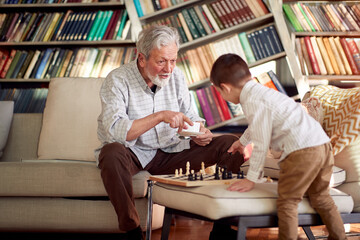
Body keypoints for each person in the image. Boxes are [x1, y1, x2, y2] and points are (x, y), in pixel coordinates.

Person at [95, 25, 244, 240]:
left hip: (172, 150)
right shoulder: (117, 80)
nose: (169, 69)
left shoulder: (177, 76)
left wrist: (200, 132)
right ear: (142, 58)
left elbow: (191, 116)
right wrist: (160, 116)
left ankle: (222, 229)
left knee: (230, 144)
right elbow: (117, 131)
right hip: (134, 153)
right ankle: (131, 231)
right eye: (161, 61)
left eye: (173, 60)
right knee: (110, 153)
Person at [210, 53, 347, 240]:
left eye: (219, 92)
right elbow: (259, 124)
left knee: (287, 203)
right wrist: (241, 142)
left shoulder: (251, 101)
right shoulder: (263, 92)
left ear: (224, 88)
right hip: (322, 146)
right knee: (322, 198)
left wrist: (251, 178)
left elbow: (261, 141)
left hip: (301, 152)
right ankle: (340, 237)